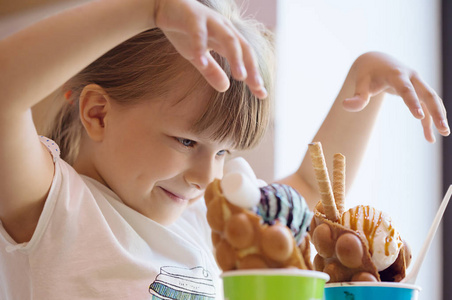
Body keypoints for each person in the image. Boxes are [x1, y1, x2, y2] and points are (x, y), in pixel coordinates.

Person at [0, 0, 448, 299]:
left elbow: (312, 189)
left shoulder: (206, 221)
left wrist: (363, 82)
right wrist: (149, 9)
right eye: (187, 141)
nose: (207, 178)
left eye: (223, 153)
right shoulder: (55, 207)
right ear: (98, 113)